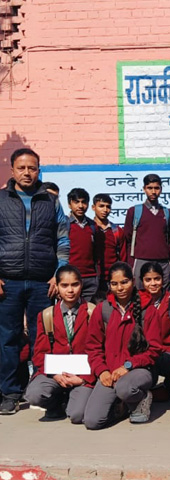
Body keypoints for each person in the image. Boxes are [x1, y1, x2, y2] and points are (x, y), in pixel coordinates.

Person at [0, 148, 70, 415]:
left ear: (39, 170)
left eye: (32, 168)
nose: (27, 173)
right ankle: (10, 392)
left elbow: (62, 239)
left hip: (43, 282)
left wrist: (58, 274)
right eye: (22, 168)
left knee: (44, 338)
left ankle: (43, 389)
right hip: (8, 282)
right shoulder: (1, 200)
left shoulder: (50, 201)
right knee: (8, 339)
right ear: (12, 170)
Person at [84, 262, 162, 429]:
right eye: (114, 284)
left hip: (139, 370)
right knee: (92, 421)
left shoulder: (148, 310)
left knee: (125, 388)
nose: (120, 288)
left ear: (133, 281)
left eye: (124, 282)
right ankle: (124, 407)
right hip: (110, 373)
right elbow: (93, 347)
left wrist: (128, 366)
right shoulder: (102, 310)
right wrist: (101, 370)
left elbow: (154, 350)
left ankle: (141, 397)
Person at [25, 265, 94, 423]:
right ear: (56, 286)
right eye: (64, 285)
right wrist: (55, 374)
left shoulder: (92, 312)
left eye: (74, 285)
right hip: (56, 373)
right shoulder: (47, 315)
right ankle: (55, 403)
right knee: (34, 394)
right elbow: (39, 354)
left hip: (83, 374)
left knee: (77, 415)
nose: (70, 290)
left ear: (81, 284)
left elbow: (99, 350)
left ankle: (72, 401)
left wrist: (84, 378)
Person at [124, 174, 170, 290]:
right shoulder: (134, 211)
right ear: (144, 189)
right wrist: (131, 264)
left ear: (161, 189)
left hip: (163, 262)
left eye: (156, 188)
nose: (153, 192)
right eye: (150, 188)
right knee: (140, 294)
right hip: (141, 261)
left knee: (163, 295)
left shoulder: (167, 213)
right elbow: (128, 239)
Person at [139, 262, 170, 397]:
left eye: (157, 279)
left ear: (163, 279)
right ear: (142, 281)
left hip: (167, 350)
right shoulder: (136, 301)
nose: (153, 283)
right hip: (143, 350)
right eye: (148, 280)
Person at [66, 188, 98, 302]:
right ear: (69, 204)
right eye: (76, 202)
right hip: (70, 278)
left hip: (90, 278)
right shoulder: (64, 224)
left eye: (84, 202)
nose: (80, 206)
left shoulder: (93, 225)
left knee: (89, 310)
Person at [92, 193, 127, 300]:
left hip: (113, 279)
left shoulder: (117, 231)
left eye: (108, 207)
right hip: (93, 279)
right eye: (101, 206)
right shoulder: (89, 229)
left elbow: (123, 257)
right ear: (93, 207)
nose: (105, 210)